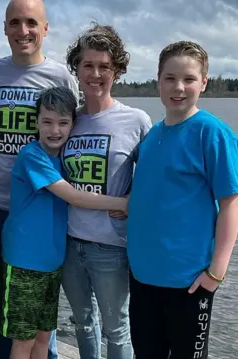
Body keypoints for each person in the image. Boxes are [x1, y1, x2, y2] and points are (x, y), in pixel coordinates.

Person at [0, 1, 79, 357]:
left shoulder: (61, 77)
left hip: (43, 215)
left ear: (46, 28)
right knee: (8, 314)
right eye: (14, 23)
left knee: (41, 322)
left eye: (31, 22)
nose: (23, 31)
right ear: (4, 28)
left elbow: (72, 136)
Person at [127, 41, 238, 359]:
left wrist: (216, 271)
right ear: (158, 80)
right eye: (170, 78)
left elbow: (231, 202)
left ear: (204, 82)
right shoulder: (152, 136)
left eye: (189, 79)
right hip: (143, 277)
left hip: (190, 282)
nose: (179, 87)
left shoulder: (211, 133)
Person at [0, 86, 128, 359]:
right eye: (46, 122)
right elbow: (72, 196)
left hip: (53, 263)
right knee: (23, 340)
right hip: (25, 264)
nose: (54, 130)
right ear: (36, 122)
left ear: (73, 123)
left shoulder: (62, 158)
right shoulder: (32, 156)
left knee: (44, 336)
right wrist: (123, 203)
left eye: (62, 122)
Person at [60, 23, 152, 359]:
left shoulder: (136, 120)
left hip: (111, 247)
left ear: (117, 71)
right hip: (69, 242)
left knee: (117, 329)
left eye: (104, 67)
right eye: (88, 65)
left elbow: (153, 176)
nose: (95, 74)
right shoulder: (68, 120)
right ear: (77, 69)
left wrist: (132, 203)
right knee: (83, 323)